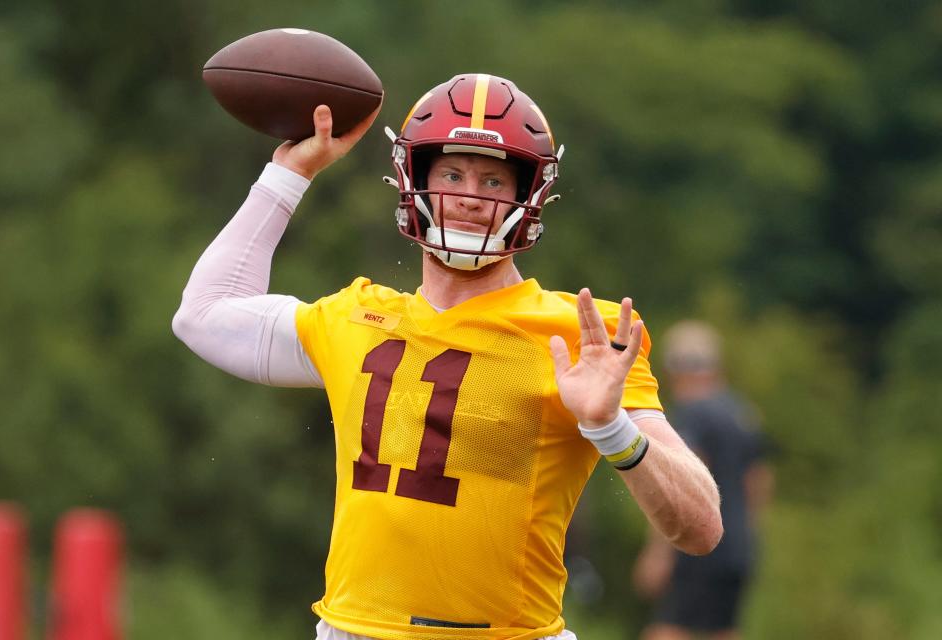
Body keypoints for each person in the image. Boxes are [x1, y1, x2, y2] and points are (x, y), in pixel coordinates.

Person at [173, 73, 722, 640]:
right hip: (351, 630)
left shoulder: (579, 333)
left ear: (529, 196)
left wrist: (611, 428)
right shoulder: (356, 318)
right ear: (413, 179)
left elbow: (700, 527)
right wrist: (290, 172)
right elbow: (205, 314)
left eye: (492, 180)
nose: (468, 194)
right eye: (453, 174)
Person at [632, 321, 773, 640]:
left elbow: (681, 482)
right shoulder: (742, 413)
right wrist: (746, 535)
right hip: (738, 545)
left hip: (697, 544)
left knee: (668, 630)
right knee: (723, 630)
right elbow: (759, 482)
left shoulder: (694, 413)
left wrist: (659, 552)